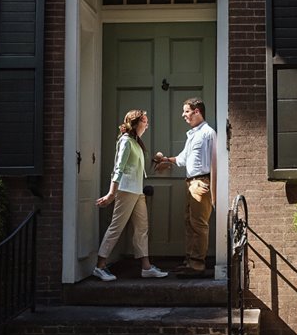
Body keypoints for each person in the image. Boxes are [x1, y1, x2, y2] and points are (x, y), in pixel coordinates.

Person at [92, 110, 168, 281]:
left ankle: (146, 267)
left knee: (142, 229)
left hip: (137, 191)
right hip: (125, 190)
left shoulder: (136, 142)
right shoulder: (126, 141)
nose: (147, 125)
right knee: (116, 227)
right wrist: (112, 193)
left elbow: (137, 168)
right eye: (144, 121)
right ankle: (100, 266)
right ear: (135, 123)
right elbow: (119, 168)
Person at [155, 98, 216, 276]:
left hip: (201, 182)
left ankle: (197, 265)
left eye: (186, 111)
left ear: (197, 111)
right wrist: (166, 160)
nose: (183, 115)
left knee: (198, 224)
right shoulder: (193, 135)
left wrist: (212, 189)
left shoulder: (208, 133)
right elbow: (182, 159)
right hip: (190, 183)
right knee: (189, 223)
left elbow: (215, 162)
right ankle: (189, 262)